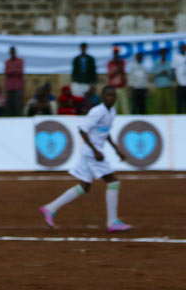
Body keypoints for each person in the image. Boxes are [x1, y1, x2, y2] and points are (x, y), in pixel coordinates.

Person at [39, 86, 132, 233]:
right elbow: (82, 130)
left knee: (84, 186)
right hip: (92, 153)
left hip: (94, 152)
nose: (111, 98)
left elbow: (105, 133)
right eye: (108, 96)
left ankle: (50, 208)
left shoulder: (112, 112)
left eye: (113, 96)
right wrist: (95, 151)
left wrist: (116, 149)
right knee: (113, 182)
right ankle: (112, 222)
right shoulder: (97, 111)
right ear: (102, 97)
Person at [107, 46, 129, 114]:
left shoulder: (122, 62)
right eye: (115, 52)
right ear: (113, 53)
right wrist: (117, 68)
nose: (116, 54)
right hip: (113, 88)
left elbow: (123, 72)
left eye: (117, 52)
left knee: (125, 107)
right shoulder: (110, 63)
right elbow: (110, 75)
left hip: (121, 87)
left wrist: (119, 66)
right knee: (113, 107)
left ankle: (126, 120)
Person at [151, 48, 173, 114]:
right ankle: (159, 116)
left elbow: (171, 73)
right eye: (162, 53)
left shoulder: (168, 63)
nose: (163, 54)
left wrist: (167, 73)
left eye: (164, 53)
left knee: (168, 102)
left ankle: (168, 116)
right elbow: (154, 72)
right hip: (159, 85)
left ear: (166, 54)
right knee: (159, 102)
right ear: (160, 54)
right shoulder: (156, 63)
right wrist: (160, 72)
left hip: (167, 84)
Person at [4, 46, 24, 116]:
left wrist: (12, 71)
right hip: (10, 86)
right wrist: (15, 70)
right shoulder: (7, 62)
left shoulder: (20, 61)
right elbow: (6, 72)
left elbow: (20, 72)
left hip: (18, 86)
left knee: (17, 103)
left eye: (13, 51)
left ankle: (18, 117)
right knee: (10, 103)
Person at [172, 43, 186, 114]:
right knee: (179, 101)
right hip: (180, 82)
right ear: (180, 48)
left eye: (184, 47)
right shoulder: (176, 57)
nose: (183, 49)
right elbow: (173, 70)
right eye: (182, 47)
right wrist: (175, 81)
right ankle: (179, 116)